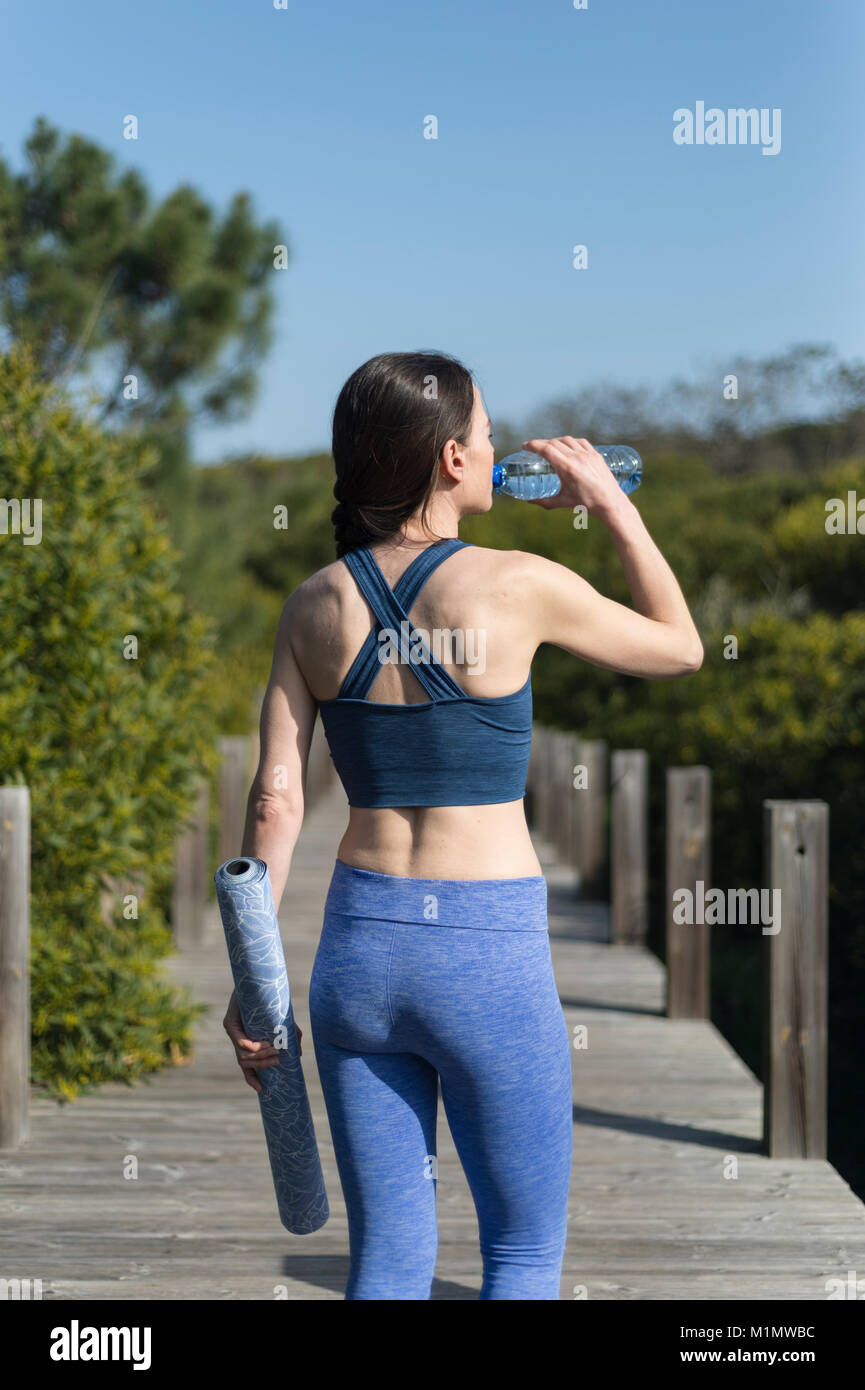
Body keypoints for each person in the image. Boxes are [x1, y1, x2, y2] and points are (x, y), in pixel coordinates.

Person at [222, 350, 703, 1300]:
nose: (493, 450)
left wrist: (252, 984)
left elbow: (275, 802)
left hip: (358, 955)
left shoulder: (312, 604)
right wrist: (609, 504)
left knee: (391, 1262)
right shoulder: (517, 582)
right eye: (484, 435)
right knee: (521, 1258)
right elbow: (681, 647)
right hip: (485, 950)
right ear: (449, 458)